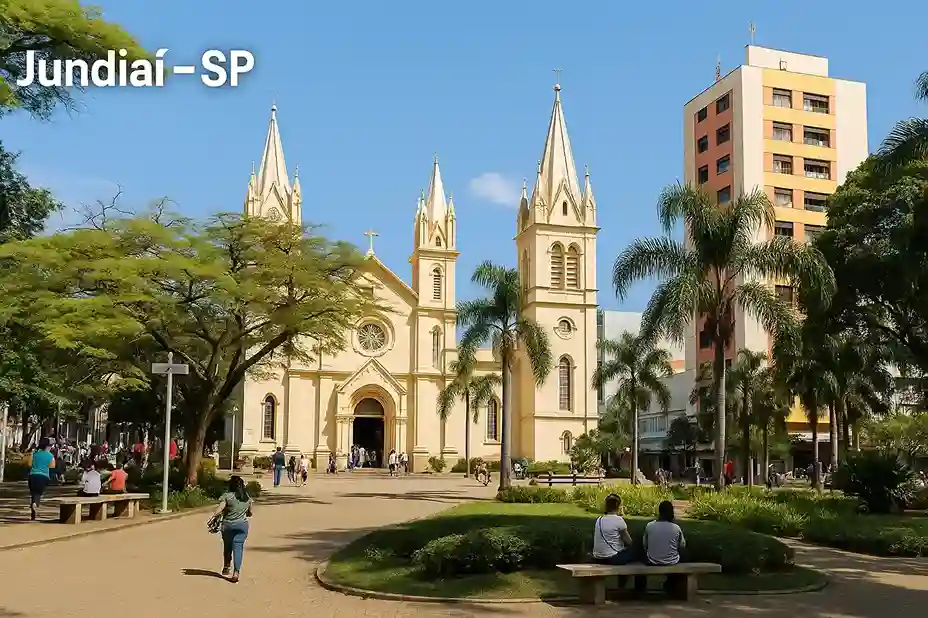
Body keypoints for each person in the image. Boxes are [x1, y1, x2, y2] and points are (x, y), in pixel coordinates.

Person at [639, 500, 687, 595]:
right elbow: (682, 545)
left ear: (659, 511)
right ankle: (671, 585)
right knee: (686, 555)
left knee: (639, 555)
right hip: (672, 561)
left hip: (652, 560)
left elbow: (644, 545)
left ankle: (640, 589)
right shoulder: (676, 528)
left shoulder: (650, 526)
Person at [210, 475, 252, 583]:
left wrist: (213, 517)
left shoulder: (227, 496)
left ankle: (226, 565)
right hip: (242, 526)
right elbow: (250, 512)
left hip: (228, 526)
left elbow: (220, 509)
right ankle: (236, 573)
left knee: (228, 546)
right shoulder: (246, 497)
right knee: (238, 548)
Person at [591, 493, 635, 565]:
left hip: (598, 558)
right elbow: (629, 542)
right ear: (618, 506)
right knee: (636, 551)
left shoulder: (599, 519)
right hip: (612, 558)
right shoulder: (619, 520)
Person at [27, 438, 55, 520]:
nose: (51, 447)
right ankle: (35, 504)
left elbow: (29, 464)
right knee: (38, 494)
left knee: (33, 493)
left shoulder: (34, 454)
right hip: (43, 476)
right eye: (50, 446)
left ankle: (33, 513)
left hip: (32, 475)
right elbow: (52, 467)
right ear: (47, 446)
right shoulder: (50, 456)